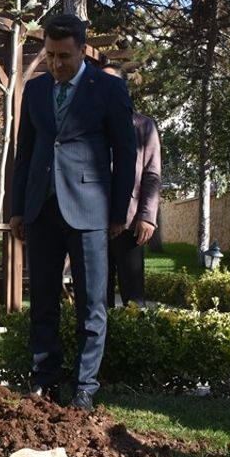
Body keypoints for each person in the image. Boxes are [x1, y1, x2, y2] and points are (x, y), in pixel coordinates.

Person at [8, 14, 137, 411]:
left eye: (64, 55)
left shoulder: (109, 89)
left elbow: (125, 153)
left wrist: (118, 212)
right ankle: (44, 380)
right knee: (43, 299)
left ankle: (85, 388)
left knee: (91, 303)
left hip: (90, 211)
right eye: (50, 55)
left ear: (83, 51)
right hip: (42, 209)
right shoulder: (35, 90)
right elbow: (24, 152)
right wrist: (17, 209)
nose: (57, 63)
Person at [101, 62, 161, 307]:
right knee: (97, 296)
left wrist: (147, 217)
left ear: (123, 88)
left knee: (133, 297)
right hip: (94, 222)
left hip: (131, 223)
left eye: (111, 82)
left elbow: (152, 174)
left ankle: (137, 341)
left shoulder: (144, 126)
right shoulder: (89, 124)